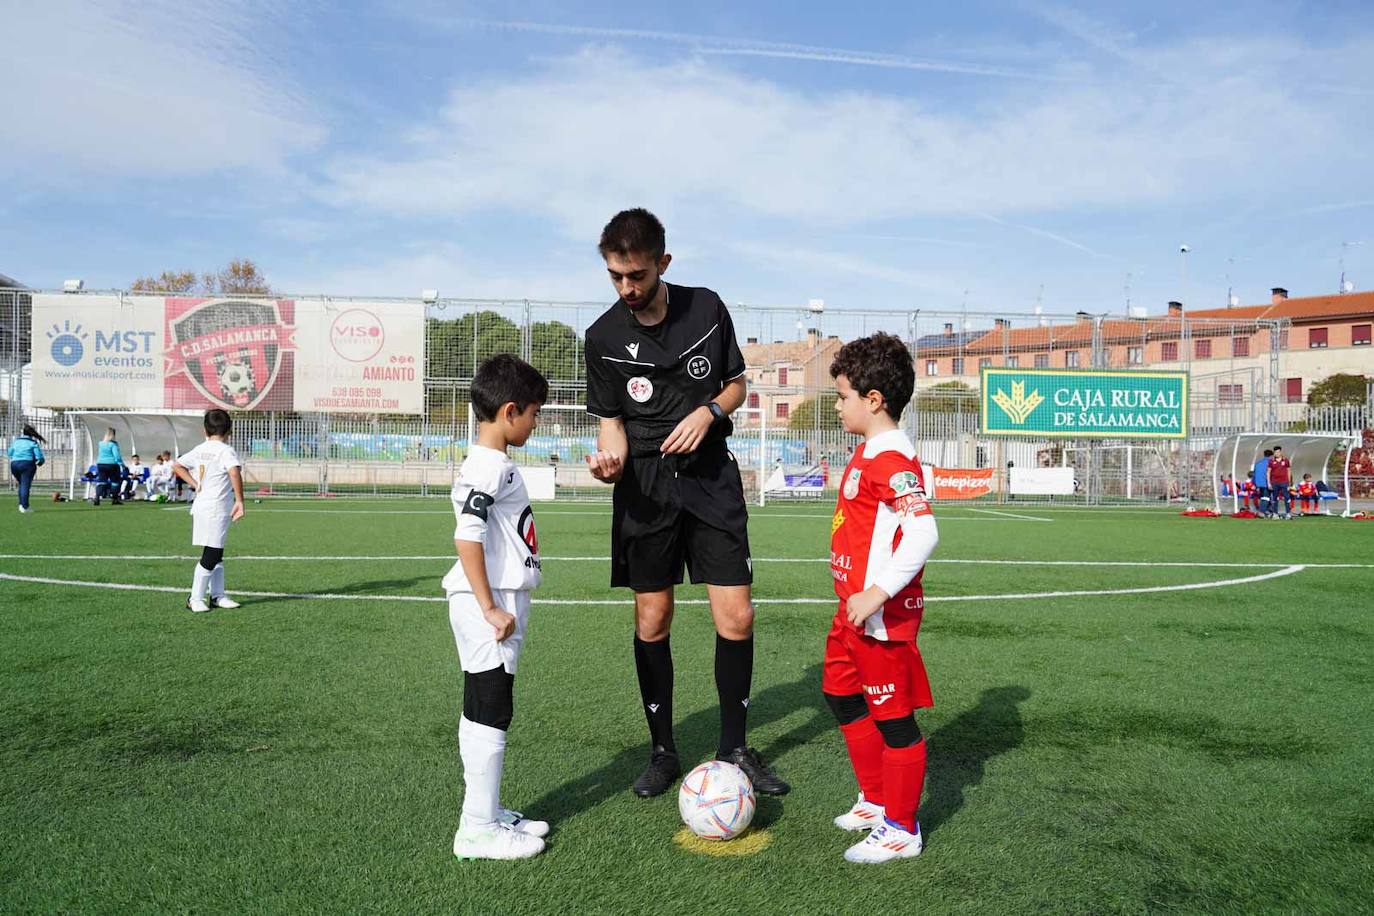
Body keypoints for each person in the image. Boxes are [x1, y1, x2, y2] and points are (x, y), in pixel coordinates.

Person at [582, 208, 788, 798]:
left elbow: (737, 384)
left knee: (737, 615)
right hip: (644, 486)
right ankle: (663, 751)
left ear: (663, 264)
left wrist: (709, 411)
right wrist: (609, 463)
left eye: (637, 275)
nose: (627, 287)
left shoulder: (706, 308)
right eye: (616, 276)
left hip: (710, 479)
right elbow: (611, 424)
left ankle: (734, 749)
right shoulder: (602, 338)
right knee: (653, 618)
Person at [823, 333, 939, 864]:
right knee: (841, 696)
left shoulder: (893, 459)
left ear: (874, 400)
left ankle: (901, 827)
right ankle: (875, 799)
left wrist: (877, 591)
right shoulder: (867, 450)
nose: (838, 405)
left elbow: (922, 533)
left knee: (894, 720)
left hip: (881, 617)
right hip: (851, 611)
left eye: (843, 396)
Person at [447, 355, 550, 861]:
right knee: (492, 706)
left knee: (482, 705)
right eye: (534, 413)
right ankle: (478, 828)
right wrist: (489, 606)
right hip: (488, 602)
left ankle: (484, 810)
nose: (536, 423)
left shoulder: (491, 462)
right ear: (511, 411)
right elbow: (467, 535)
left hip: (495, 597)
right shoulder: (488, 465)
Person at [171, 410, 245, 613]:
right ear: (229, 430)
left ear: (204, 429)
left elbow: (177, 465)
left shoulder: (200, 448)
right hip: (216, 507)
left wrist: (195, 484)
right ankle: (194, 598)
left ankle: (217, 595)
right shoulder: (225, 450)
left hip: (203, 505)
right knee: (211, 554)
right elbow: (234, 472)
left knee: (216, 551)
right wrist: (239, 500)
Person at [7, 424, 46, 513]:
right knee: (25, 485)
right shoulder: (33, 443)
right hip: (27, 465)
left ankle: (21, 504)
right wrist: (41, 461)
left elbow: (9, 453)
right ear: (32, 434)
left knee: (22, 484)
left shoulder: (16, 442)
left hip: (14, 464)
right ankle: (25, 507)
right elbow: (39, 457)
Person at [93, 428, 124, 506]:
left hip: (101, 464)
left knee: (102, 481)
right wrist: (121, 464)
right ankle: (114, 499)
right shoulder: (113, 444)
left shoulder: (101, 443)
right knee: (115, 482)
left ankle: (97, 497)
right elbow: (117, 456)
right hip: (112, 464)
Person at [1269, 445, 1292, 520]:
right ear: (1274, 453)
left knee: (1287, 497)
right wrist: (1269, 483)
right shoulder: (1271, 461)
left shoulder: (1285, 460)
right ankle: (1275, 513)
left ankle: (1288, 513)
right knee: (1275, 498)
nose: (1277, 453)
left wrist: (1289, 482)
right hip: (1274, 482)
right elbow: (1268, 472)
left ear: (1281, 452)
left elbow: (1289, 471)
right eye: (1275, 452)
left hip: (1284, 482)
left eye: (1278, 452)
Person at [1252, 449, 1272, 517]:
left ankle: (1268, 511)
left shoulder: (1258, 463)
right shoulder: (1270, 463)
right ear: (1270, 456)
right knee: (1266, 497)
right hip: (1266, 483)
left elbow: (1254, 474)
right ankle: (1261, 511)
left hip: (1259, 483)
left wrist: (1254, 484)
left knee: (1264, 497)